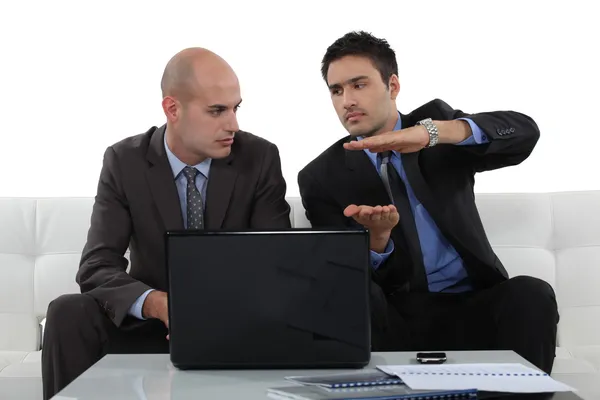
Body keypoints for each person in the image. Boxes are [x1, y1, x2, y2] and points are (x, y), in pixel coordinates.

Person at [297, 31, 559, 374]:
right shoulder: (321, 175)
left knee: (532, 293)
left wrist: (435, 134)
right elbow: (342, 278)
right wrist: (378, 242)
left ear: (392, 86)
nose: (346, 100)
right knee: (356, 296)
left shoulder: (436, 124)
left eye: (358, 85)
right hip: (395, 316)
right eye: (336, 90)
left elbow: (524, 133)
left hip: (473, 305)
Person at [41, 47, 291, 399]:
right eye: (217, 111)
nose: (233, 124)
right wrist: (159, 304)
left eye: (236, 108)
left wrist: (219, 312)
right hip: (152, 325)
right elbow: (96, 266)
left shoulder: (259, 157)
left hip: (235, 322)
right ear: (173, 109)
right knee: (68, 311)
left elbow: (276, 260)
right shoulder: (124, 161)